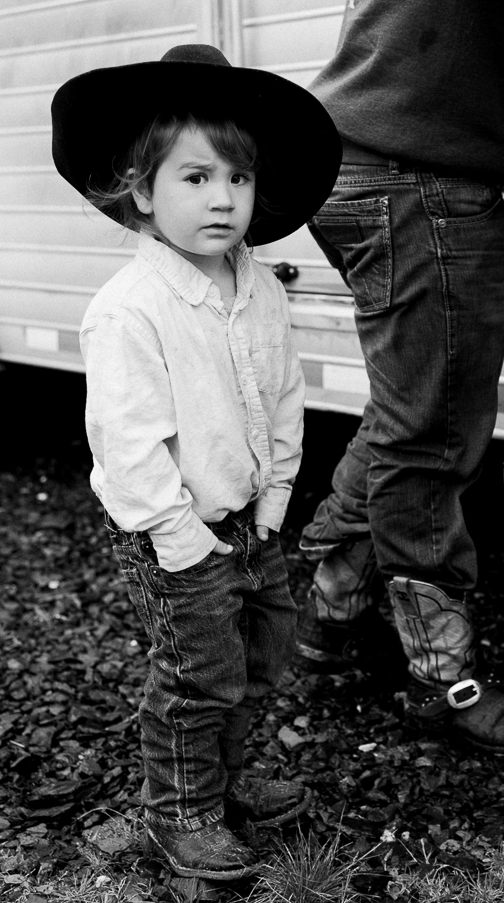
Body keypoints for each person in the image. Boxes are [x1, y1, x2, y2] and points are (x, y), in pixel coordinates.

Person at [51, 45, 341, 880]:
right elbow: (128, 441)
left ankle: (227, 779)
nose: (222, 198)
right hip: (178, 536)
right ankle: (181, 810)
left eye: (239, 179)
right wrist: (179, 538)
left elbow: (284, 397)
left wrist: (276, 504)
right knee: (196, 673)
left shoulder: (261, 288)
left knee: (259, 660)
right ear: (142, 191)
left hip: (253, 523)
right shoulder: (130, 310)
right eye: (195, 178)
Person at [295, 0, 504, 755]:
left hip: (380, 162)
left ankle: (324, 610)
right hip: (412, 175)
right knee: (432, 434)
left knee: (412, 407)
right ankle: (441, 679)